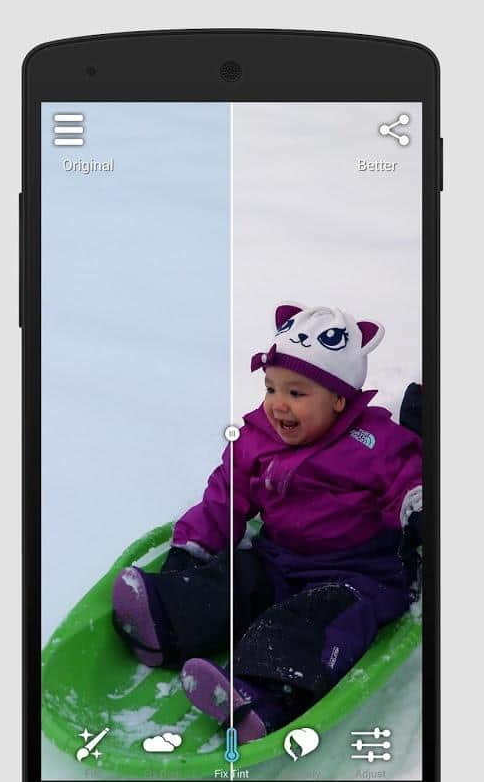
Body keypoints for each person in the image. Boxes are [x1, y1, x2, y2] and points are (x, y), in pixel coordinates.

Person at [112, 304, 422, 742]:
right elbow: (226, 494)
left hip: (356, 576)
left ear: (339, 400)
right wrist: (194, 548)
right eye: (271, 388)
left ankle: (262, 694)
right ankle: (165, 620)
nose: (278, 404)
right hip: (278, 560)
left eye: (296, 393)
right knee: (236, 580)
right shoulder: (258, 438)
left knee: (308, 624)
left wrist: (419, 509)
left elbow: (410, 475)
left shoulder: (373, 442)